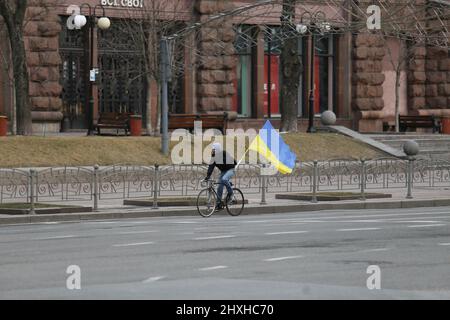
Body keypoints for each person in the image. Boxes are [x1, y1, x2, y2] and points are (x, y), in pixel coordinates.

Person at [204, 142, 236, 210]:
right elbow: (211, 167)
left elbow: (233, 161)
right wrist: (208, 176)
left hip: (231, 169)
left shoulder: (224, 153)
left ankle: (231, 193)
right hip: (224, 171)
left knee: (224, 179)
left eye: (214, 149)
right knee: (219, 187)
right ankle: (219, 204)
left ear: (218, 149)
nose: (212, 151)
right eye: (212, 149)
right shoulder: (214, 157)